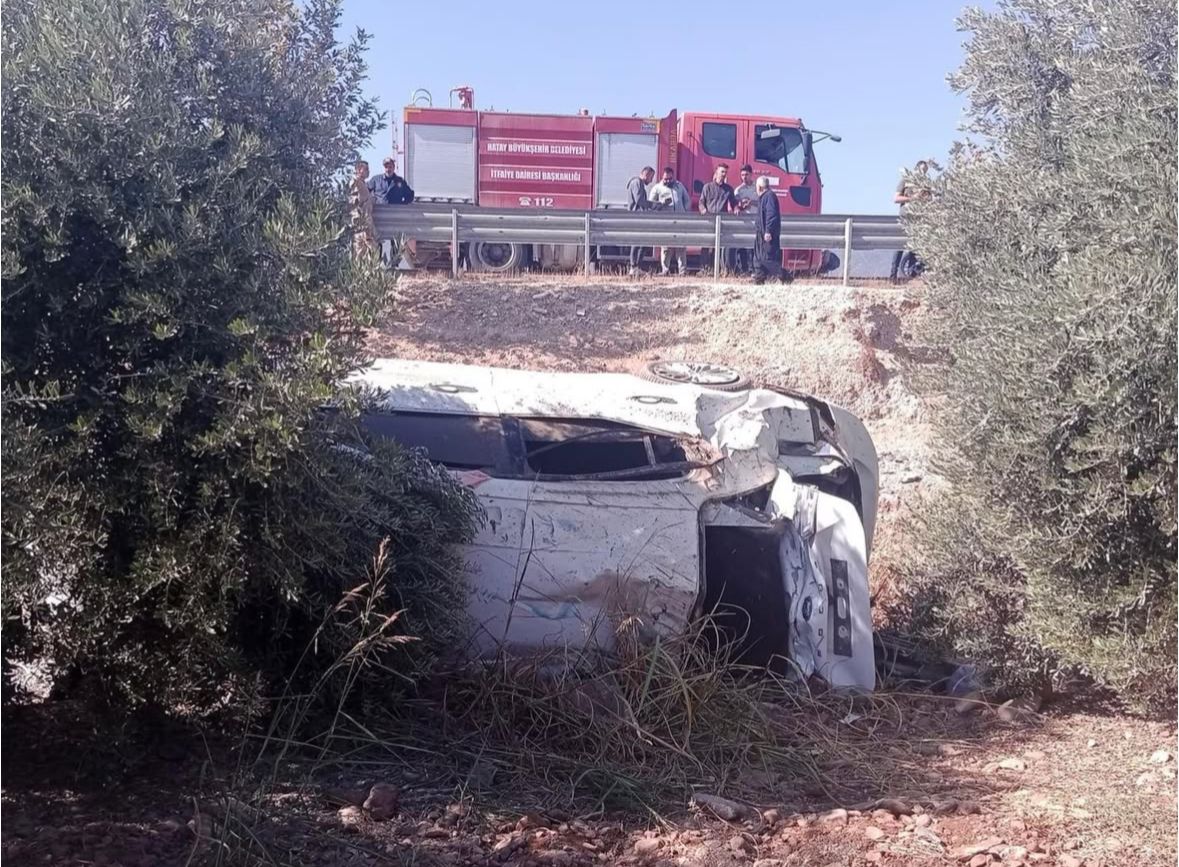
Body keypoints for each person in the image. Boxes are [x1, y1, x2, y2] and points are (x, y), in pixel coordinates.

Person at [890, 160, 929, 283]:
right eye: (922, 170)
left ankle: (911, 275)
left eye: (925, 171)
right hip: (905, 218)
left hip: (919, 219)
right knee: (899, 246)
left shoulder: (925, 184)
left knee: (914, 248)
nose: (923, 173)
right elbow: (896, 198)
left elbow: (929, 199)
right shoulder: (905, 181)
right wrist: (913, 198)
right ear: (916, 169)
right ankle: (893, 275)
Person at [647, 166, 690, 275]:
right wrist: (661, 205)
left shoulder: (679, 186)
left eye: (670, 179)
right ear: (662, 177)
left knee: (681, 247)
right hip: (666, 222)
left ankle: (682, 271)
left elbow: (687, 200)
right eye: (665, 179)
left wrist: (684, 211)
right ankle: (665, 270)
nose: (667, 181)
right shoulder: (657, 188)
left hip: (680, 221)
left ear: (673, 177)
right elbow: (650, 205)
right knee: (666, 247)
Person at [698, 164, 736, 275]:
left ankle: (717, 270)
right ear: (717, 172)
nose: (724, 174)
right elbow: (701, 202)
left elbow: (734, 203)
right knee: (706, 245)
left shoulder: (728, 189)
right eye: (722, 172)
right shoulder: (707, 187)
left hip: (721, 222)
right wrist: (703, 210)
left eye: (725, 172)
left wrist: (737, 208)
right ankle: (704, 269)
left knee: (718, 247)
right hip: (709, 220)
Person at [752, 176, 785, 285]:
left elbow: (771, 215)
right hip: (760, 233)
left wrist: (768, 231)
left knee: (767, 258)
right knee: (758, 258)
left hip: (767, 234)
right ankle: (759, 279)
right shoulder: (763, 197)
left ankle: (784, 276)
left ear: (760, 187)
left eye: (756, 186)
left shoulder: (769, 197)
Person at [626, 166, 656, 275]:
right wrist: (652, 205)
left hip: (638, 217)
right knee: (637, 242)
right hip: (636, 217)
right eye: (651, 177)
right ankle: (634, 266)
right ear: (646, 174)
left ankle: (637, 266)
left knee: (641, 242)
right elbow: (639, 200)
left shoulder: (638, 183)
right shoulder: (637, 183)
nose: (651, 180)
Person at [732, 164, 758, 274]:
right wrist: (738, 207)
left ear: (751, 174)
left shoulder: (757, 188)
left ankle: (754, 270)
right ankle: (744, 270)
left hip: (756, 221)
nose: (744, 177)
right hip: (744, 222)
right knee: (742, 246)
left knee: (754, 247)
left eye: (746, 174)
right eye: (742, 175)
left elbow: (763, 203)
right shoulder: (738, 190)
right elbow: (734, 204)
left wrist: (752, 202)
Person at [349, 159, 377, 258]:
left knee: (370, 251)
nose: (368, 171)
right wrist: (360, 222)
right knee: (361, 252)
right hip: (361, 224)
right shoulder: (356, 183)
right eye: (366, 169)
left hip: (367, 222)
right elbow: (354, 202)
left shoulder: (363, 184)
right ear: (359, 169)